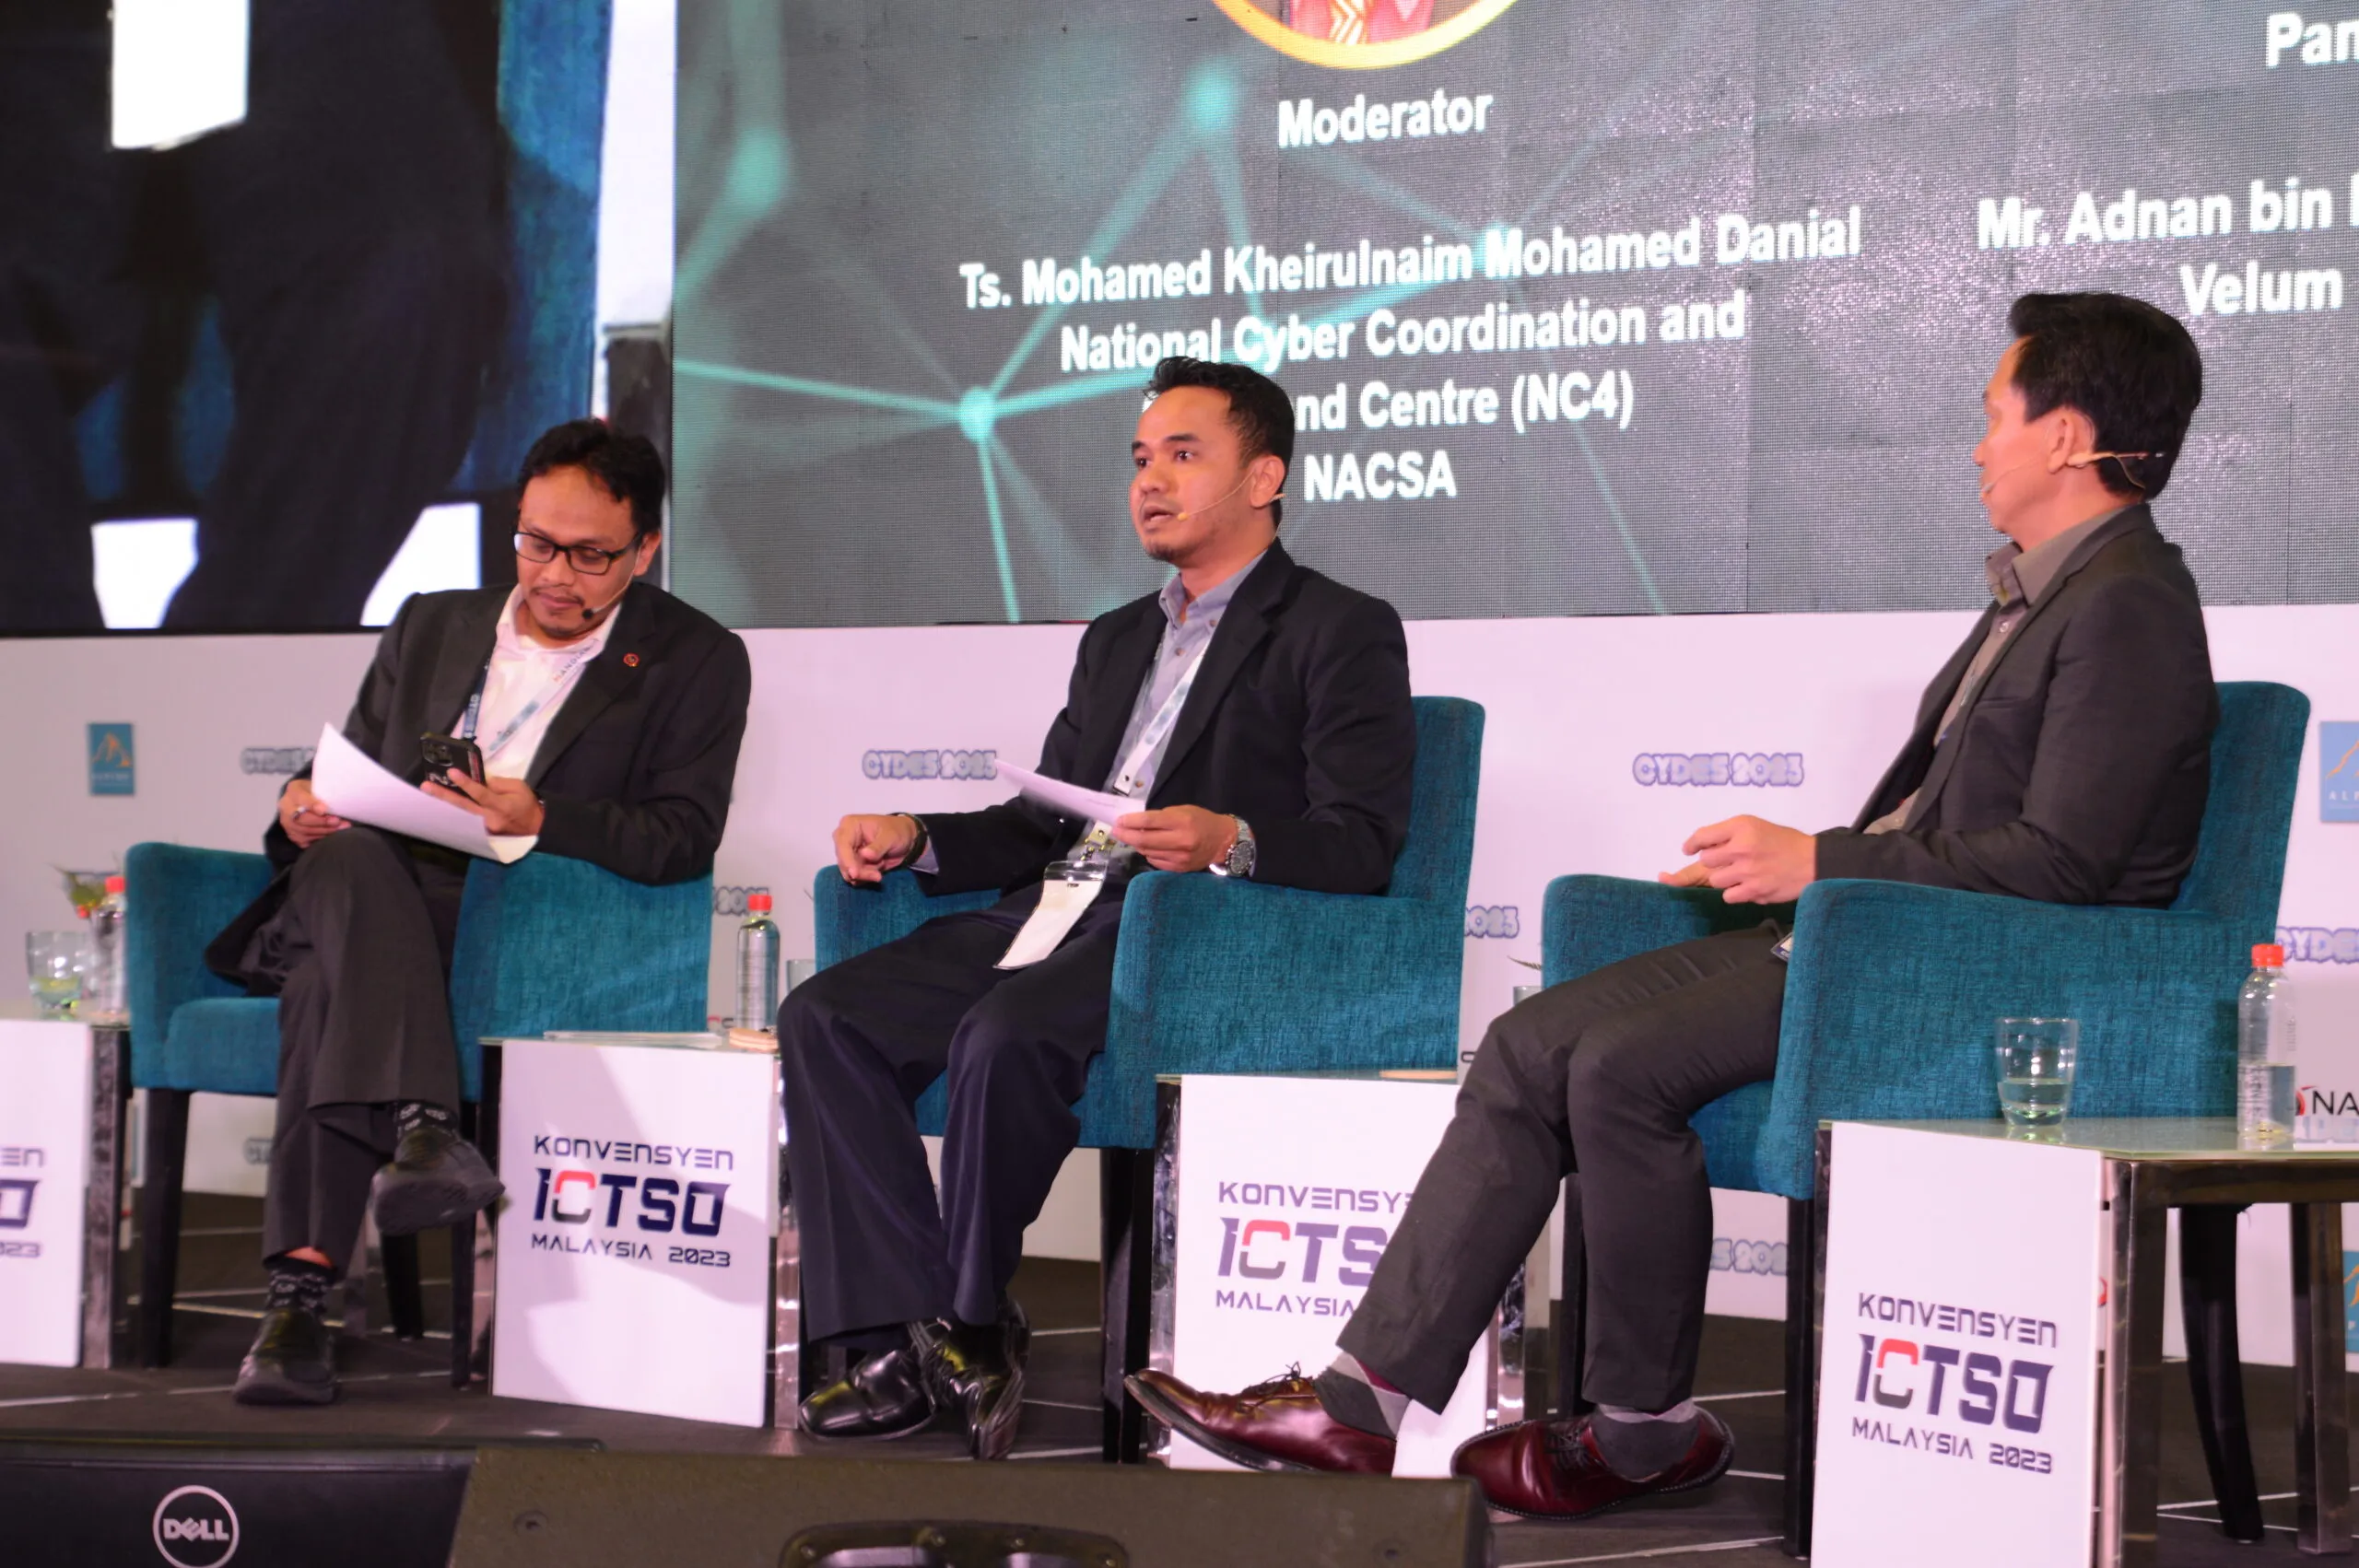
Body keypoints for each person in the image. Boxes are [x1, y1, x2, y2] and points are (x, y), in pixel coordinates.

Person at [1131, 291, 2218, 1518]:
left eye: (1994, 416)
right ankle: (1357, 1405)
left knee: (1622, 1067)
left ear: (2065, 436)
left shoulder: (2129, 601)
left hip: (1973, 967)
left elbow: (2066, 864)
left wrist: (1824, 859)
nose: (1977, 448)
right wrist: (1815, 871)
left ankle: (1640, 1428)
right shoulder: (2047, 592)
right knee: (1531, 1042)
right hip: (1875, 936)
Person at [780, 356, 1417, 1459]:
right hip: (1051, 907)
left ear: (1264, 477)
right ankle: (899, 1329)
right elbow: (1042, 822)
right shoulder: (1117, 637)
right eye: (1138, 459)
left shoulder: (1337, 627)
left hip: (1184, 931)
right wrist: (919, 835)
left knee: (1003, 1034)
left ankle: (969, 1322)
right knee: (824, 1017)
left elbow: (1362, 843)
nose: (1148, 481)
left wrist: (1230, 839)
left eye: (1183, 455)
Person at [207, 418, 752, 1405]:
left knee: (326, 982)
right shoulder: (430, 623)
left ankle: (298, 1301)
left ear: (644, 550)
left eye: (589, 556)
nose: (555, 576)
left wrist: (539, 815)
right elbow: (347, 769)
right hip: (370, 888)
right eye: (537, 543)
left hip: (510, 918)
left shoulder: (696, 658)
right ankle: (424, 1125)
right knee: (346, 856)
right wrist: (299, 802)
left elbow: (682, 837)